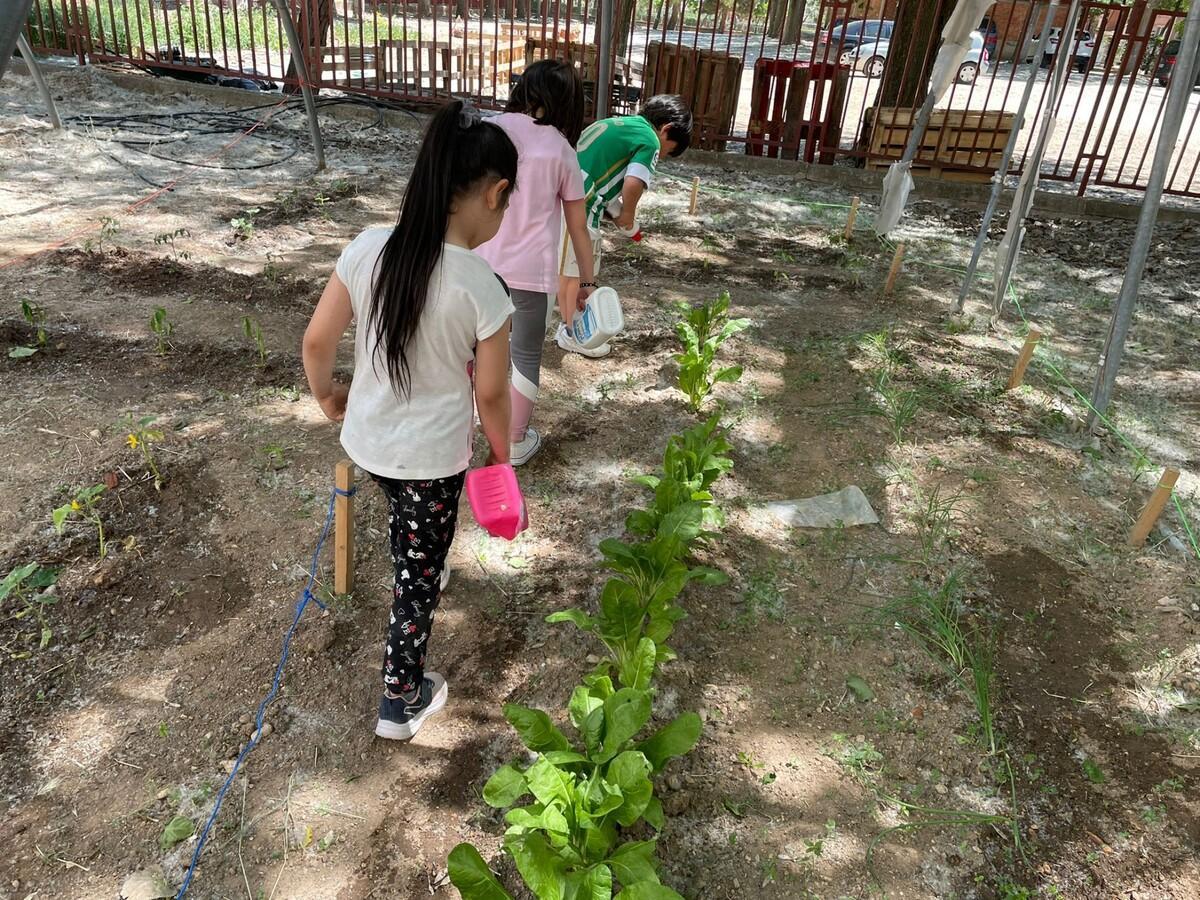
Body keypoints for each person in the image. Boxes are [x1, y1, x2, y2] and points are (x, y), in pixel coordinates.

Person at [302, 100, 516, 741]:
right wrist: (502, 457)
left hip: (367, 443)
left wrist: (327, 397)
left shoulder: (368, 247)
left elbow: (316, 343)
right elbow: (495, 396)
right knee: (417, 585)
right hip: (431, 460)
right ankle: (400, 699)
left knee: (409, 521)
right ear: (495, 193)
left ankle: (417, 553)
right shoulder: (482, 285)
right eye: (503, 204)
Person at [476, 60, 597, 467]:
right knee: (525, 354)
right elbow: (579, 229)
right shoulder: (562, 150)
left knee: (469, 346)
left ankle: (468, 421)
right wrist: (588, 281)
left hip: (477, 261)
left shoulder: (490, 128)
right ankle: (514, 440)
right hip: (532, 272)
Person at [555, 94, 694, 359]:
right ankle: (572, 334)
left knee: (570, 272)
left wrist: (611, 210)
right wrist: (628, 214)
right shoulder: (650, 139)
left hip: (572, 194)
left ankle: (570, 329)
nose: (662, 156)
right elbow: (633, 181)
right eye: (668, 151)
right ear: (666, 130)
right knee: (575, 274)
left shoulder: (619, 124)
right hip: (580, 206)